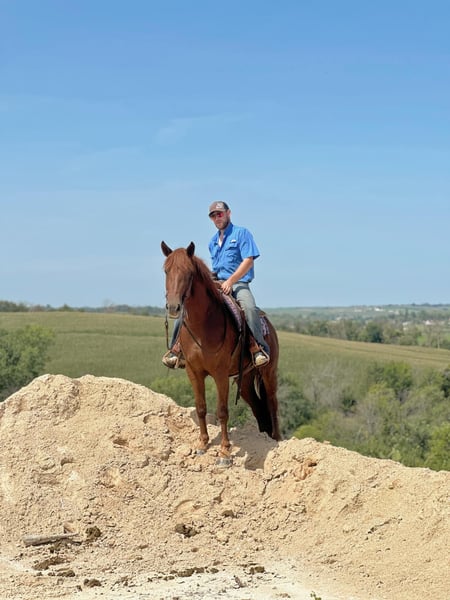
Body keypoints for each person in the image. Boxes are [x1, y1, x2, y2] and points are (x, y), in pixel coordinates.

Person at [162, 201, 270, 368]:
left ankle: (257, 348)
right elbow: (218, 268)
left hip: (238, 283)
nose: (217, 218)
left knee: (248, 307)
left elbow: (248, 261)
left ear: (228, 213)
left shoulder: (242, 233)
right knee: (188, 307)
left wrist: (231, 281)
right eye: (213, 216)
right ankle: (176, 350)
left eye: (220, 214)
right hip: (218, 282)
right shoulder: (213, 242)